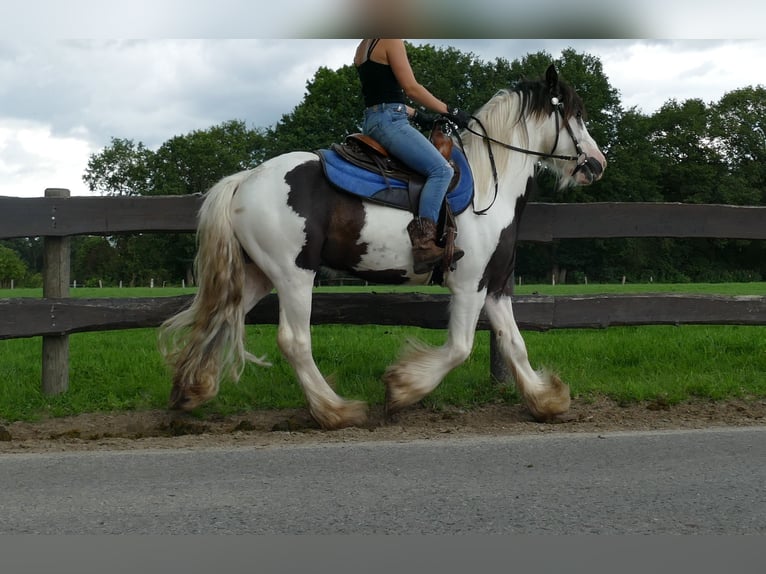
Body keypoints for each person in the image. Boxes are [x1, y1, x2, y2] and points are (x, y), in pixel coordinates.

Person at [354, 38, 471, 274]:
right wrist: (449, 110)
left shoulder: (362, 47)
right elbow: (411, 88)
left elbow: (383, 94)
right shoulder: (390, 39)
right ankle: (424, 244)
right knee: (441, 171)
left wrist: (419, 116)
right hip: (390, 123)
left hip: (373, 121)